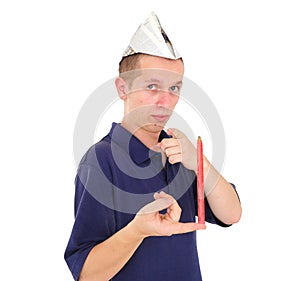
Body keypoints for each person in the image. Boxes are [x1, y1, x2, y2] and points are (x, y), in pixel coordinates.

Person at [64, 12, 242, 281]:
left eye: (174, 88)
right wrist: (138, 230)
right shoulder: (100, 161)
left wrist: (199, 162)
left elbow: (232, 214)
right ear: (122, 88)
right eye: (151, 86)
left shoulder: (179, 153)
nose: (165, 101)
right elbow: (87, 274)